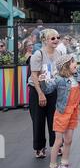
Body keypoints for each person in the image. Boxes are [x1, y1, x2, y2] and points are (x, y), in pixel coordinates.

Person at [39, 40, 80, 168]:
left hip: (73, 111)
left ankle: (64, 165)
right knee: (58, 141)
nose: (76, 65)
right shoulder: (59, 79)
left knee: (69, 140)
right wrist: (42, 81)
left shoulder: (77, 74)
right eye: (73, 62)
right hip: (61, 113)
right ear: (66, 66)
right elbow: (47, 89)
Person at [28, 29, 61, 158]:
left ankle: (56, 145)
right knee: (38, 120)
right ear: (45, 40)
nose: (56, 40)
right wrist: (40, 93)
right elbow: (34, 75)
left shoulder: (58, 53)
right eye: (52, 38)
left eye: (57, 37)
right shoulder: (38, 54)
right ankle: (39, 147)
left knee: (54, 119)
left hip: (52, 89)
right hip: (37, 90)